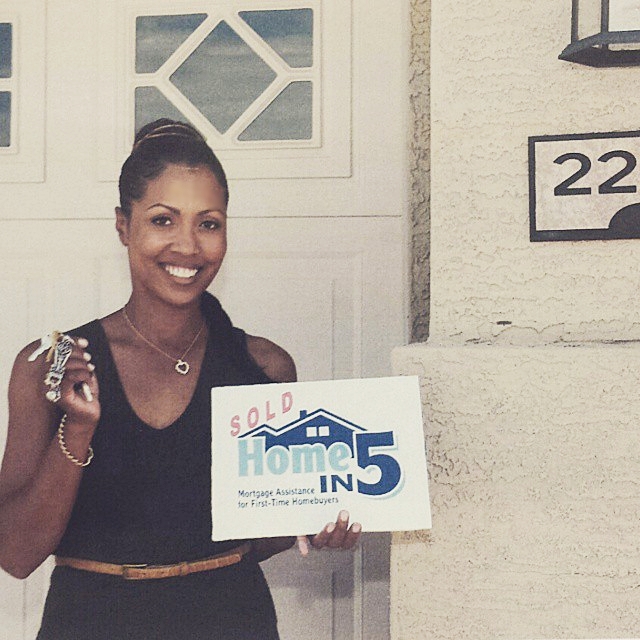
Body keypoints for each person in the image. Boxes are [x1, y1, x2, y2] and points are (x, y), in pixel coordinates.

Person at [0, 119, 361, 639]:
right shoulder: (51, 365)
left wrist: (314, 524)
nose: (188, 246)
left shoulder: (263, 367)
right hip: (91, 623)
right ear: (124, 226)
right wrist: (76, 429)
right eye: (163, 220)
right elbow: (15, 554)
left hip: (231, 620)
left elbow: (250, 535)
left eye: (209, 223)